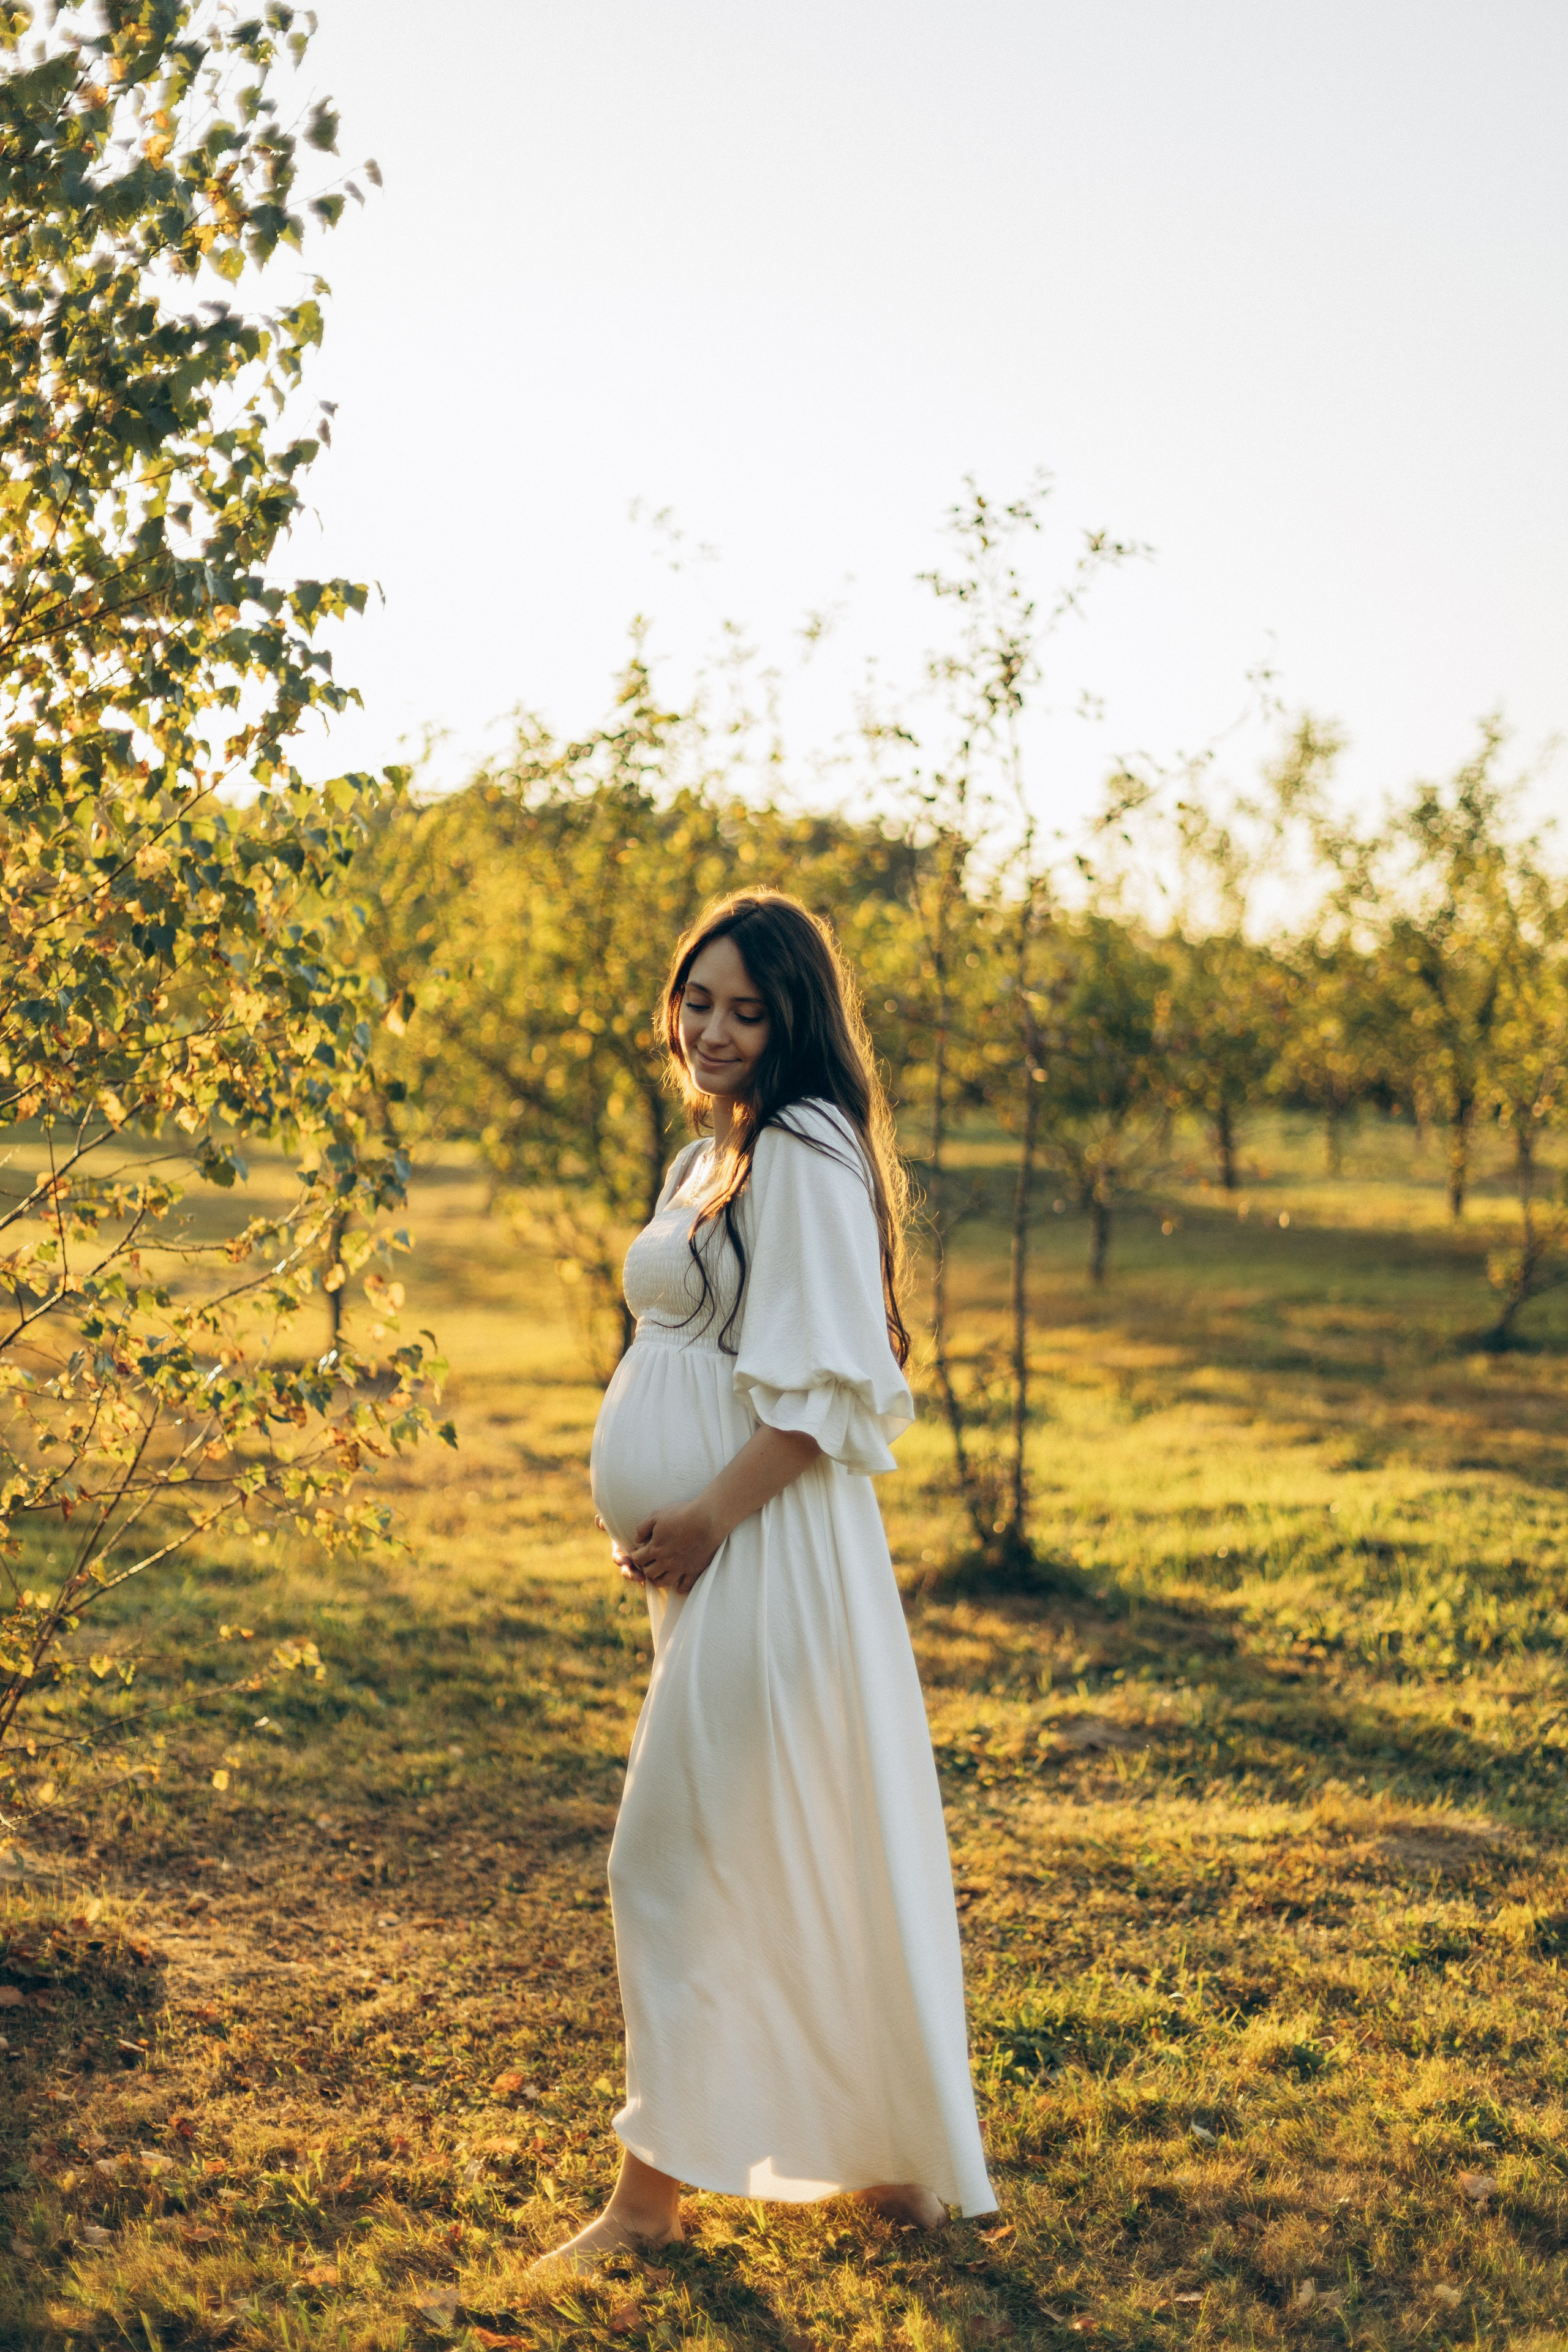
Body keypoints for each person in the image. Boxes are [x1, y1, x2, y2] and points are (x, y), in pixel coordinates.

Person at [532, 889, 995, 2272]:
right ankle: (892, 2156)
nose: (715, 1030)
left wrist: (708, 1518)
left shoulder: (797, 1145)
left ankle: (643, 2208)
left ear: (794, 1020)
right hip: (714, 1558)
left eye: (746, 1009)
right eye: (698, 1002)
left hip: (769, 1546)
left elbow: (824, 1397)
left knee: (668, 1853)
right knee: (791, 1834)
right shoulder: (710, 1152)